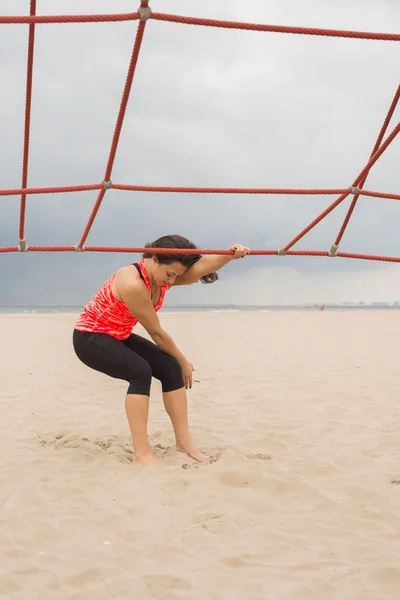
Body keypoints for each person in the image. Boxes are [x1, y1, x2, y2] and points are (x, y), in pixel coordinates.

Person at [73, 234, 250, 467]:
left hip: (118, 334)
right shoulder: (132, 282)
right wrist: (184, 359)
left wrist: (230, 254)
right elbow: (155, 332)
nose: (173, 280)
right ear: (154, 258)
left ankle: (184, 442)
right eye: (170, 274)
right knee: (140, 371)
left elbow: (201, 267)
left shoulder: (165, 275)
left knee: (169, 368)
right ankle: (142, 454)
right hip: (90, 337)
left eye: (177, 275)